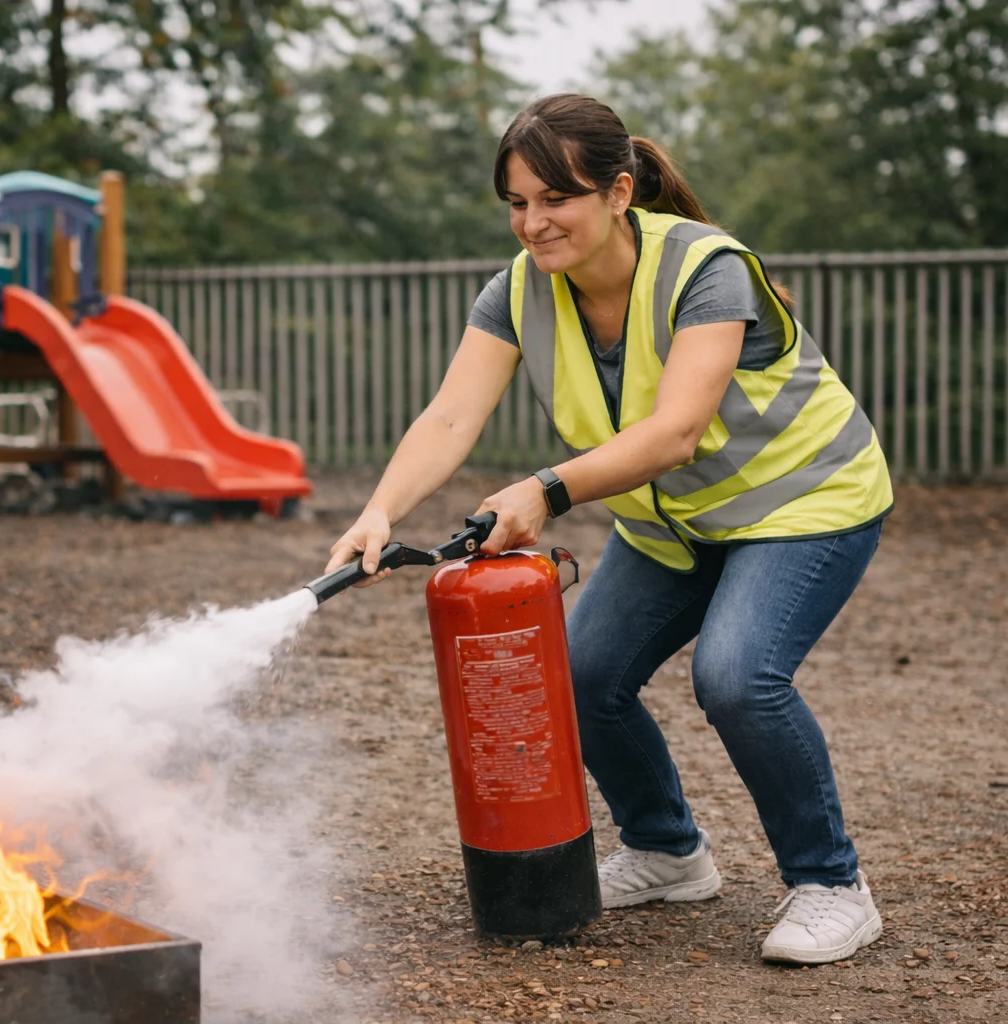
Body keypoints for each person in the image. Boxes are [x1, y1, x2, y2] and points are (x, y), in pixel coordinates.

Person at [324, 94, 894, 965]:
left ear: (620, 193)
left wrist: (546, 492)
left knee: (738, 678)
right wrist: (378, 512)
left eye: (556, 199)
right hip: (672, 528)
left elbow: (673, 432)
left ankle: (831, 884)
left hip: (801, 503)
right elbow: (448, 418)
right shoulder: (517, 292)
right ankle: (669, 852)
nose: (533, 223)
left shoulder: (707, 270)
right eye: (517, 203)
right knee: (579, 673)